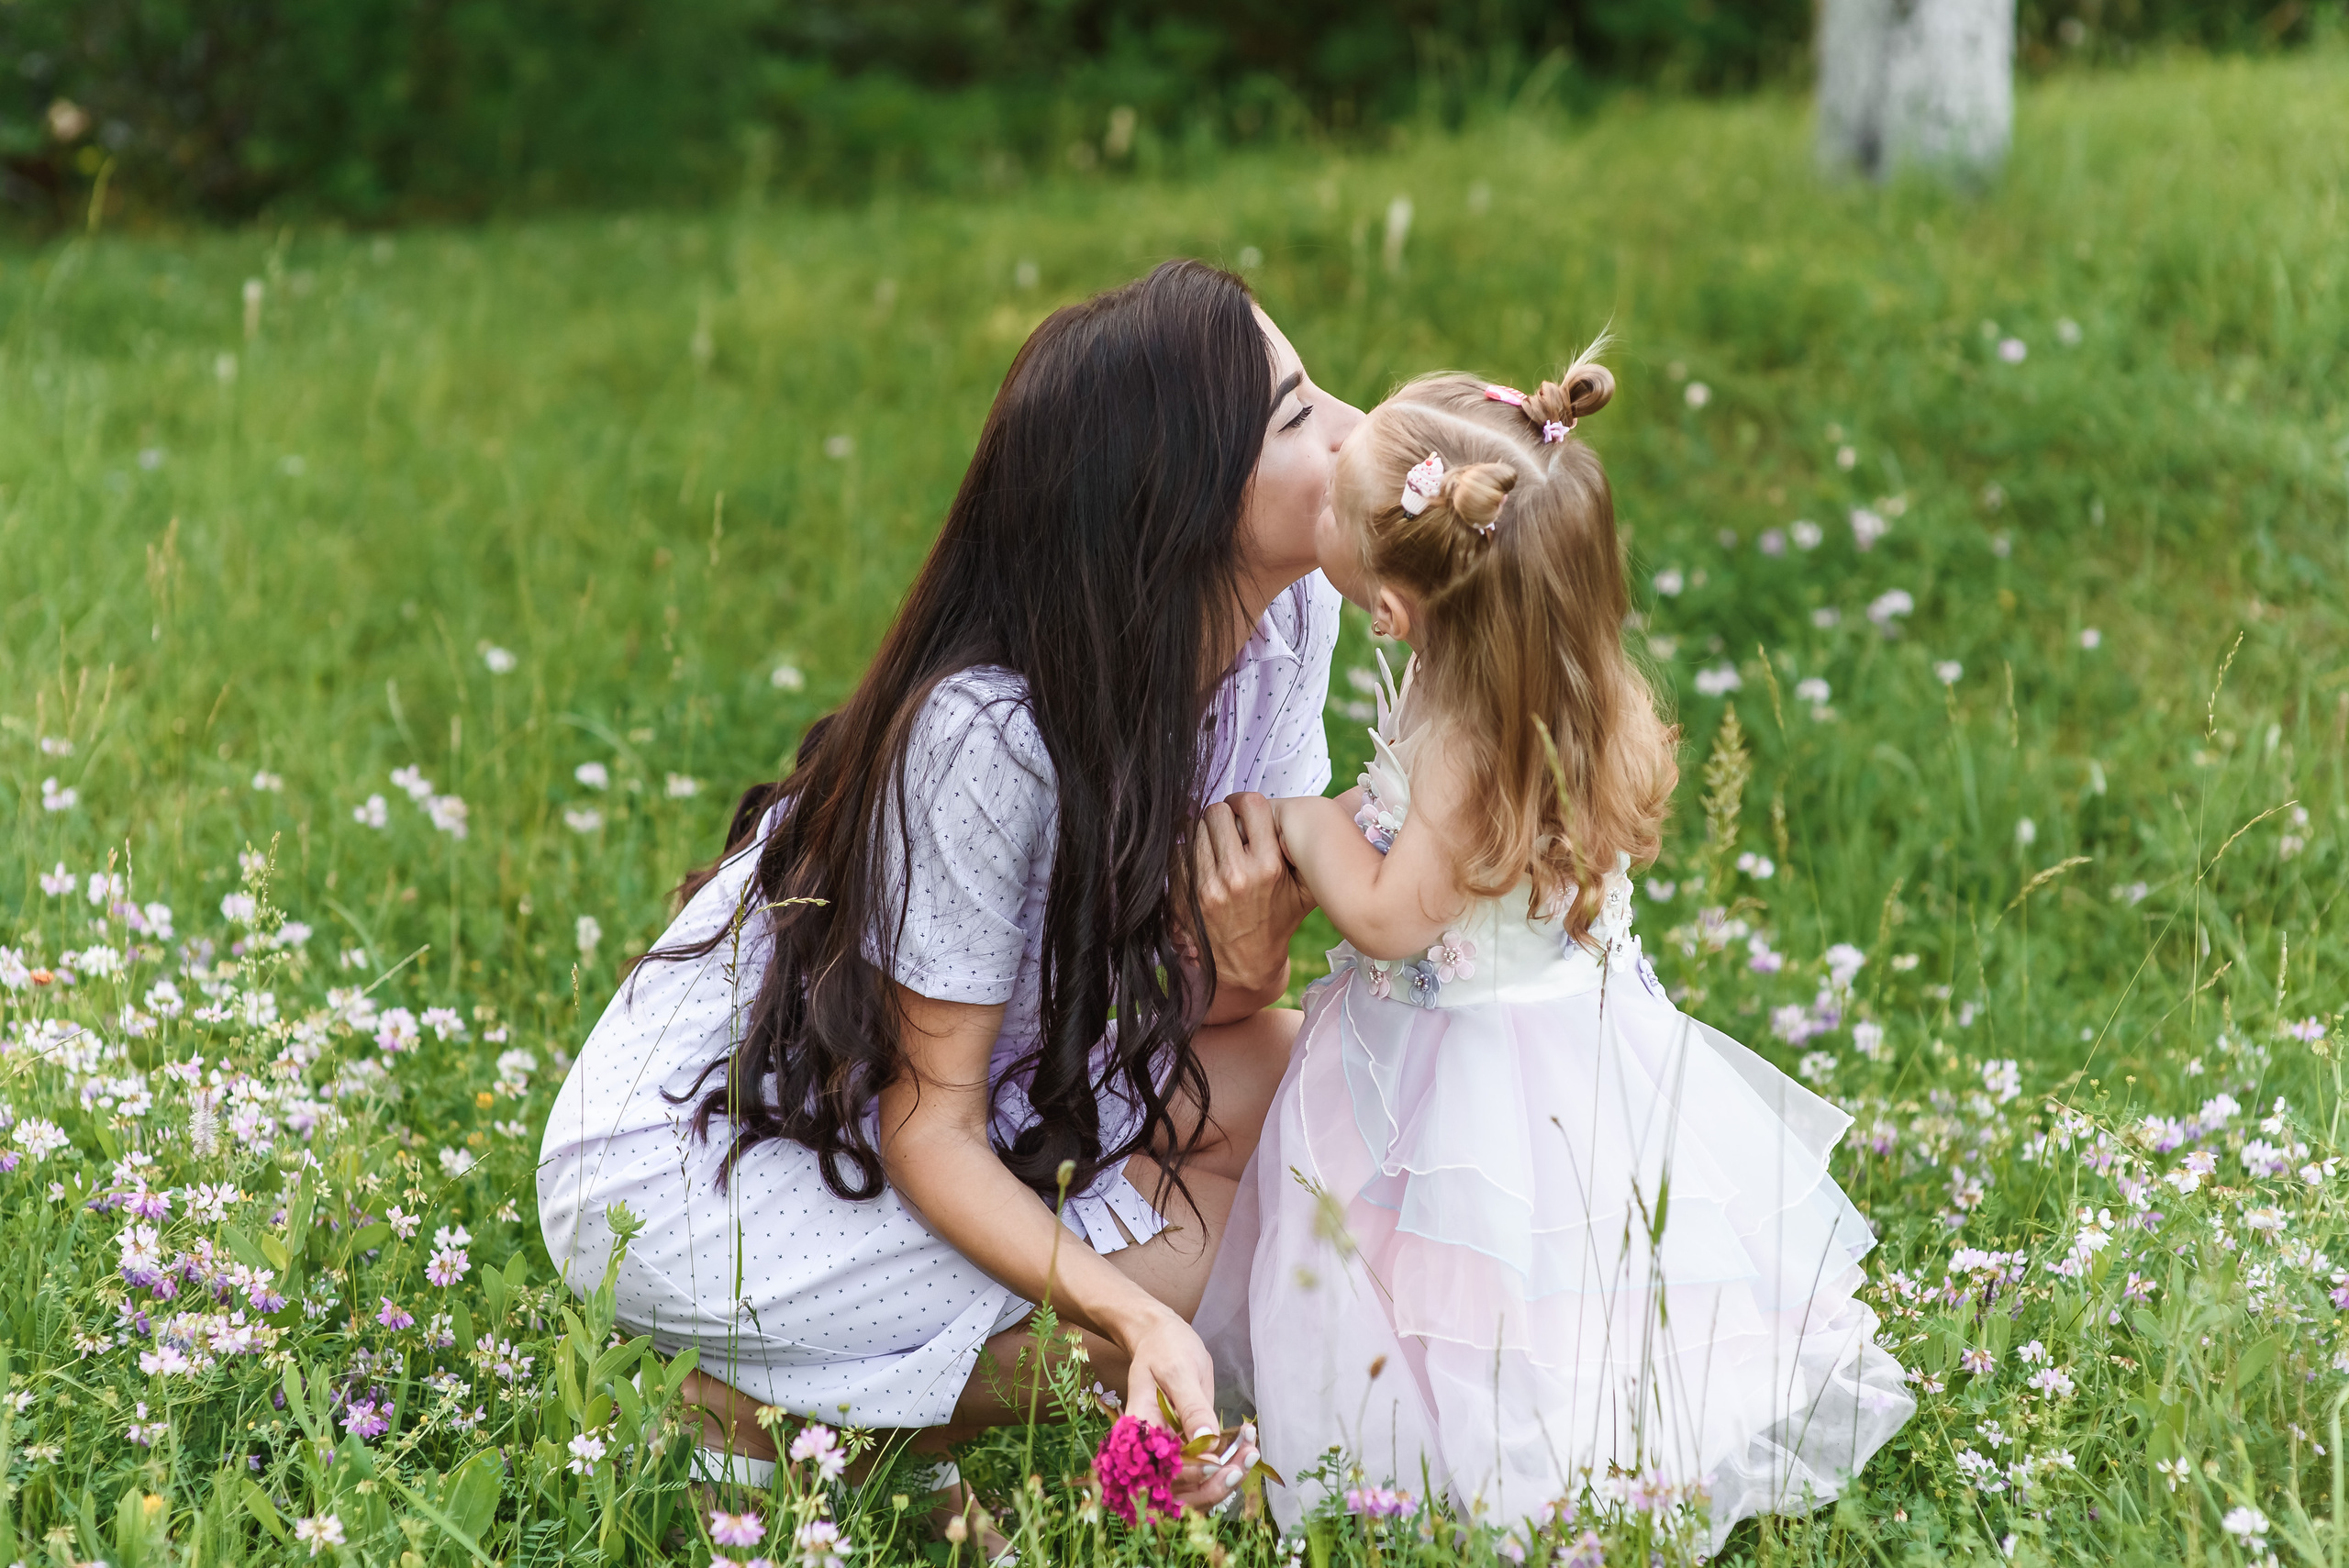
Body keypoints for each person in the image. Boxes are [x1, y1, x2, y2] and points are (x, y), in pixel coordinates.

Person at [536, 259, 1364, 1516]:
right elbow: (928, 1122)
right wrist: (1126, 1302)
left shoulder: (1290, 626)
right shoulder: (988, 733)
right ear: (1179, 508)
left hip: (997, 1097)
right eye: (1298, 415)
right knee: (1175, 1294)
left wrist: (1245, 959)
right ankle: (797, 1422)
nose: (1355, 430)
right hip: (717, 1155)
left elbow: (1225, 1010)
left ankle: (830, 1424)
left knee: (1316, 1089)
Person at [1198, 354, 1914, 1547]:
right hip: (1577, 1051)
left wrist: (1313, 829)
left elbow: (1387, 916)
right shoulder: (1548, 674)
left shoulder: (1464, 747)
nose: (1318, 487)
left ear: (1391, 610)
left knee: (1466, 1274)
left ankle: (1484, 1473)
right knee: (1568, 1272)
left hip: (1468, 1080)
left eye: (1338, 506)